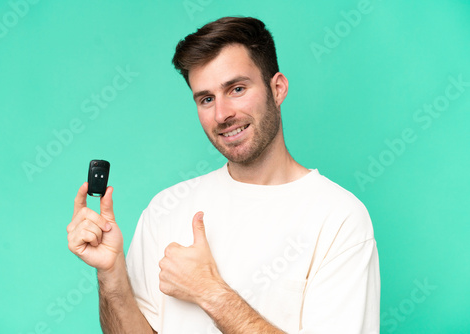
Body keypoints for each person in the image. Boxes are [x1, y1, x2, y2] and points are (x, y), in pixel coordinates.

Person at [67, 16, 380, 334]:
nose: (222, 114)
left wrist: (210, 292)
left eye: (237, 89)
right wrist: (111, 274)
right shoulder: (166, 208)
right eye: (206, 99)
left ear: (278, 88)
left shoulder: (339, 217)